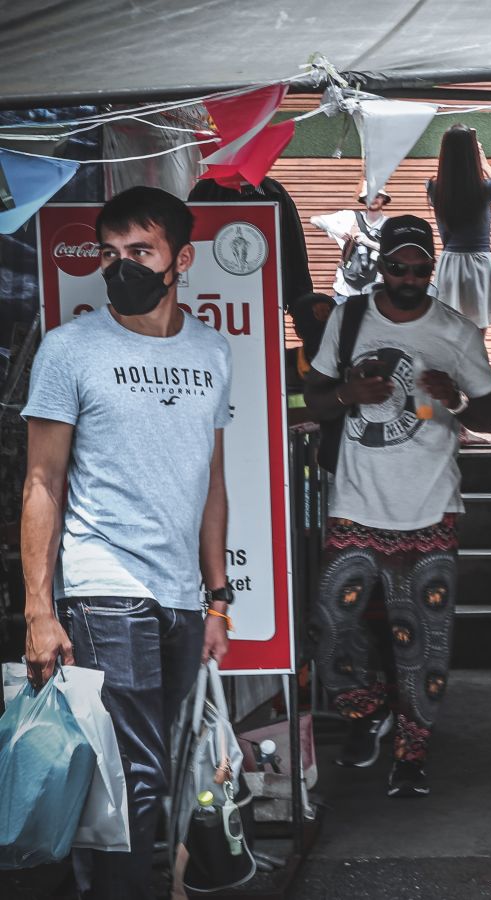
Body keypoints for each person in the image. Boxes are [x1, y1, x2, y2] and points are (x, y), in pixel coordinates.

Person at [21, 186, 233, 899]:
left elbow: (213, 480)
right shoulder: (69, 349)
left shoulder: (211, 351)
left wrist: (217, 598)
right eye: (110, 255)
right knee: (137, 778)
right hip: (104, 584)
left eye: (139, 251)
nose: (122, 267)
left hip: (178, 594)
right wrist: (39, 612)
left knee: (139, 775)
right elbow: (42, 483)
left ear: (182, 259)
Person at [302, 215, 491, 798]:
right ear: (381, 266)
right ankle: (370, 713)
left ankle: (412, 753)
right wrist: (347, 395)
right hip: (357, 505)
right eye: (398, 267)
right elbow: (312, 395)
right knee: (329, 623)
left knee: (424, 640)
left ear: (432, 269)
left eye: (421, 269)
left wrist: (457, 399)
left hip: (432, 508)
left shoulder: (457, 332)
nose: (410, 278)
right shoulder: (350, 317)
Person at [427, 124, 491, 329]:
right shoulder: (488, 187)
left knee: (449, 330)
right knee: (477, 331)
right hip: (479, 262)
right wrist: (484, 163)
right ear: (473, 153)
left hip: (449, 262)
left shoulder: (434, 187)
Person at [309, 183, 391, 302]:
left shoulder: (390, 225)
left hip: (374, 294)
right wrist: (338, 233)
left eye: (377, 196)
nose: (373, 199)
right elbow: (315, 220)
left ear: (384, 198)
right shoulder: (349, 217)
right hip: (344, 292)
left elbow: (395, 252)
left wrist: (368, 242)